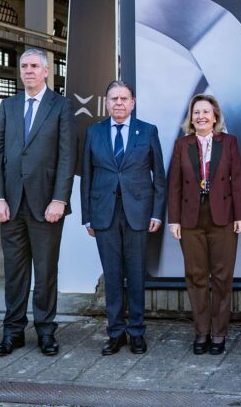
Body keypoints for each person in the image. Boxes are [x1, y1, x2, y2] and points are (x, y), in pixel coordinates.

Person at [0, 49, 74, 358]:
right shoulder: (8, 106)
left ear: (46, 71)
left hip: (46, 204)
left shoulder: (61, 106)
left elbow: (67, 156)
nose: (28, 70)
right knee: (14, 272)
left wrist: (60, 199)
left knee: (46, 271)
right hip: (11, 205)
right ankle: (12, 332)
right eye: (24, 65)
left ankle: (46, 331)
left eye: (34, 66)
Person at [80, 80, 165, 356]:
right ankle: (115, 332)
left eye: (123, 98)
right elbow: (87, 176)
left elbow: (159, 177)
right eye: (113, 98)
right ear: (106, 103)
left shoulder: (148, 131)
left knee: (136, 274)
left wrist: (157, 213)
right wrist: (87, 217)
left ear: (133, 102)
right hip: (104, 213)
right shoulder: (94, 132)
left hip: (138, 213)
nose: (118, 103)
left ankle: (137, 332)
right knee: (112, 275)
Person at [166, 94, 241, 356]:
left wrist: (240, 216)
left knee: (222, 277)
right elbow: (174, 184)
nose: (201, 116)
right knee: (196, 275)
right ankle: (202, 331)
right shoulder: (182, 144)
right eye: (196, 112)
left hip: (223, 216)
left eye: (205, 112)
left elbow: (237, 181)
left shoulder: (229, 142)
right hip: (190, 217)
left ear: (215, 116)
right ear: (191, 118)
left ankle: (219, 332)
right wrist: (174, 220)